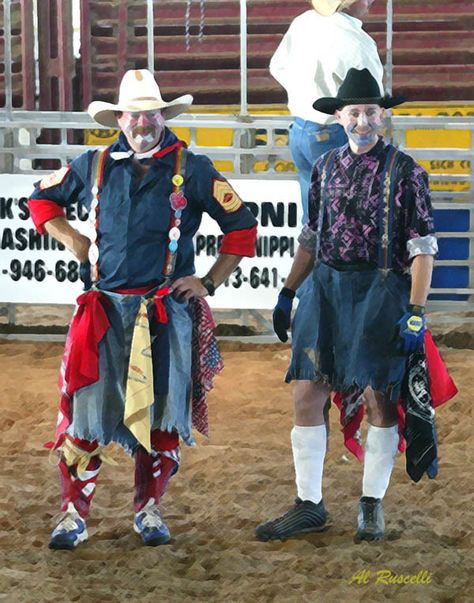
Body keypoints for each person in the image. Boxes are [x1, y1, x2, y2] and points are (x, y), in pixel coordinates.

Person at [28, 69, 257, 549]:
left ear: (162, 115)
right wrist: (72, 238)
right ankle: (72, 514)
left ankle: (149, 509)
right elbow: (41, 200)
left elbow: (241, 227)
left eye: (150, 113)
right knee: (86, 412)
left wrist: (209, 281)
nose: (141, 122)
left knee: (161, 415)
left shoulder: (192, 168)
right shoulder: (91, 165)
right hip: (103, 310)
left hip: (163, 310)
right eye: (133, 114)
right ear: (119, 118)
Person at [255, 68, 443, 543]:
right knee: (306, 394)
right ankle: (309, 504)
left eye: (370, 112)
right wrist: (287, 291)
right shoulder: (323, 168)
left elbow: (422, 247)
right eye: (354, 112)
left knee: (381, 396)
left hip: (381, 293)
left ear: (384, 116)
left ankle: (371, 505)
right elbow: (311, 238)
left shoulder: (407, 173)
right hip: (326, 291)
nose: (363, 121)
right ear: (339, 116)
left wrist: (416, 309)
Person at [270, 0, 383, 224]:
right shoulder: (356, 41)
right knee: (346, 220)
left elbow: (277, 66)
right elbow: (371, 97)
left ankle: (311, 257)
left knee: (314, 218)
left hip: (301, 128)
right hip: (334, 131)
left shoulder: (303, 22)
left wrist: (305, 92)